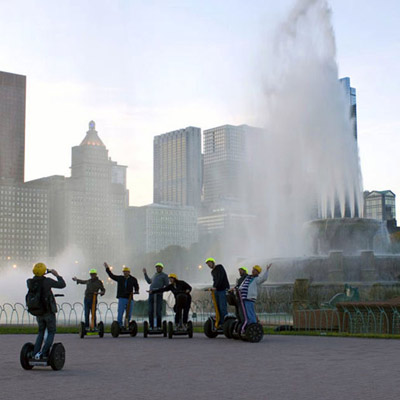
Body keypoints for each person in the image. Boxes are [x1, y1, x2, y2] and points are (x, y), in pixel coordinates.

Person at [27, 262, 66, 360]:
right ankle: (43, 354)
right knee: (51, 331)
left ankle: (35, 354)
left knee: (41, 332)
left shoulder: (30, 282)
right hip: (48, 311)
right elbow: (62, 285)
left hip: (38, 311)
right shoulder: (47, 281)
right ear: (44, 272)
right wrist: (56, 275)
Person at [104, 262, 139, 327]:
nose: (125, 273)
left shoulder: (133, 279)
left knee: (129, 313)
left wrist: (136, 291)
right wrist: (107, 268)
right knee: (120, 312)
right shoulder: (120, 278)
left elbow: (136, 286)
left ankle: (127, 324)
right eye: (124, 272)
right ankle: (119, 325)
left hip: (130, 298)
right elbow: (112, 276)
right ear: (123, 272)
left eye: (127, 272)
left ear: (129, 272)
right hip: (122, 298)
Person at [143, 262, 169, 329]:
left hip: (159, 295)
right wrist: (145, 274)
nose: (158, 268)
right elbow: (149, 281)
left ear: (162, 268)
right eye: (157, 267)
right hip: (151, 294)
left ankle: (159, 326)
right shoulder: (154, 275)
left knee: (158, 311)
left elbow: (167, 286)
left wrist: (161, 289)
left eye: (159, 267)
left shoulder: (164, 276)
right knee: (150, 310)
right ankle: (151, 325)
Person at [205, 258, 230, 322]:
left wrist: (216, 286)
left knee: (222, 307)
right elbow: (215, 280)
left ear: (213, 262)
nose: (209, 265)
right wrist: (213, 287)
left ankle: (225, 322)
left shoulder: (219, 267)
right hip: (217, 290)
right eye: (208, 265)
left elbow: (220, 277)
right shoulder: (212, 271)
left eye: (209, 263)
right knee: (217, 307)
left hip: (223, 289)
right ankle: (219, 321)